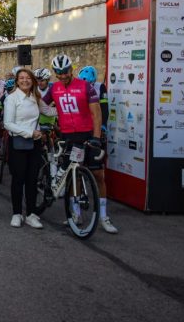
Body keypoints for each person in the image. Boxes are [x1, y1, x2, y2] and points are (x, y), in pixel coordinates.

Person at [42, 55, 118, 234]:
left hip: (88, 134)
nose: (62, 76)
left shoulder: (85, 86)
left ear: (72, 69)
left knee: (98, 175)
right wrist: (54, 112)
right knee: (73, 176)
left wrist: (97, 138)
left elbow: (96, 113)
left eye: (65, 72)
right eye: (58, 73)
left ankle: (104, 216)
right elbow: (40, 104)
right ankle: (75, 214)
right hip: (68, 135)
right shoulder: (54, 89)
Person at [3, 68, 56, 229]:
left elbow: (49, 111)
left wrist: (71, 110)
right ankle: (17, 213)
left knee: (32, 180)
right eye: (21, 78)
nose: (25, 81)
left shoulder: (36, 97)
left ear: (32, 80)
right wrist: (29, 133)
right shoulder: (11, 99)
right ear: (17, 81)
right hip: (18, 143)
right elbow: (8, 124)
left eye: (28, 78)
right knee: (18, 180)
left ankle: (31, 214)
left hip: (35, 144)